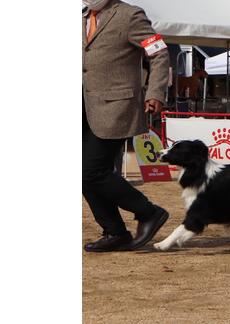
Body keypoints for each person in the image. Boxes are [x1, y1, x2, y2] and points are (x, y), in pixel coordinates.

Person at [82, 0, 170, 252]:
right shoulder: (81, 17)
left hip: (115, 107)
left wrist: (155, 92)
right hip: (81, 107)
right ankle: (115, 232)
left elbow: (159, 53)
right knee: (84, 176)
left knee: (92, 172)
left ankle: (148, 212)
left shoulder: (130, 15)